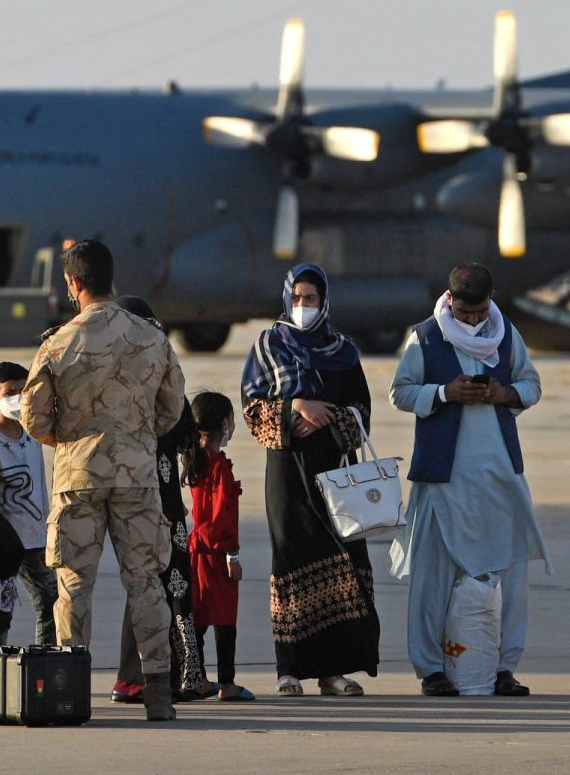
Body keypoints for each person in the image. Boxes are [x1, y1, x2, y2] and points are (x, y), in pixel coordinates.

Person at [23, 241, 187, 722]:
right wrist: (135, 437)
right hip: (136, 476)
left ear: (73, 284)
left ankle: (69, 684)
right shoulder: (151, 337)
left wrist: (70, 441)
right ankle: (157, 689)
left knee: (74, 583)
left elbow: (33, 418)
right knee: (147, 583)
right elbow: (171, 408)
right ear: (111, 281)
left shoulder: (57, 343)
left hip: (78, 477)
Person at [390, 263, 552, 698]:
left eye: (480, 312)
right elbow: (400, 392)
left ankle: (503, 668)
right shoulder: (423, 336)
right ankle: (431, 670)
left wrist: (505, 394)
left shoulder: (505, 332)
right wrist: (444, 393)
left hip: (499, 476)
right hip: (443, 480)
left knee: (511, 574)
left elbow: (531, 384)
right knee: (432, 578)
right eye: (466, 314)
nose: (475, 321)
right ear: (450, 300)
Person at [240, 263, 381, 697]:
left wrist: (329, 416)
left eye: (312, 299)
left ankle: (333, 671)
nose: (303, 307)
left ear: (324, 302)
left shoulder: (343, 350)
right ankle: (289, 669)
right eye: (297, 298)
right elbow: (251, 408)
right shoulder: (268, 345)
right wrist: (294, 408)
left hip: (336, 469)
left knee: (341, 560)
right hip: (287, 471)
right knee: (291, 560)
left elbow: (362, 414)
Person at [108, 297, 205, 706]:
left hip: (126, 490)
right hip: (158, 495)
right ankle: (171, 677)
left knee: (146, 584)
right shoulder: (154, 370)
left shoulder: (111, 373)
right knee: (167, 583)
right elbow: (182, 427)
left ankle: (135, 679)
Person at [0, 361, 59, 646]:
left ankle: (46, 659)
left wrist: (48, 532)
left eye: (23, 391)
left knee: (49, 602)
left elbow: (40, 491)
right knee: (0, 606)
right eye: (10, 392)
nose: (18, 399)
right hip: (6, 543)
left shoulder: (33, 438)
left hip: (35, 540)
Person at [184, 390, 253, 701]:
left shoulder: (194, 460)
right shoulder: (220, 467)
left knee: (198, 618)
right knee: (225, 620)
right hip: (217, 553)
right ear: (225, 423)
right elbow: (223, 517)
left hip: (196, 551)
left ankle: (197, 678)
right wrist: (233, 555)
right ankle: (227, 682)